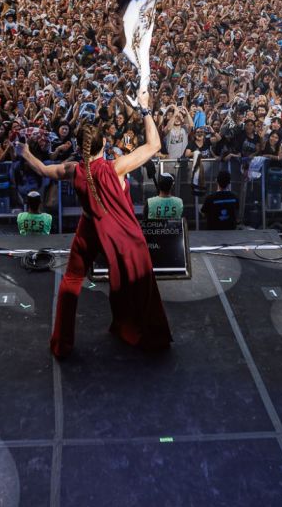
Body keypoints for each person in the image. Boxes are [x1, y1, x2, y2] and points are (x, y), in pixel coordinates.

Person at [20, 91, 172, 360]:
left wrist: (25, 153)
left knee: (71, 282)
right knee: (136, 282)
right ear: (105, 146)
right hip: (120, 234)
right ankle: (135, 330)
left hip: (89, 230)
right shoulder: (117, 167)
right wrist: (145, 110)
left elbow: (43, 170)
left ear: (79, 148)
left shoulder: (72, 170)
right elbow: (153, 146)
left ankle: (62, 344)